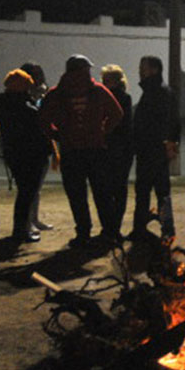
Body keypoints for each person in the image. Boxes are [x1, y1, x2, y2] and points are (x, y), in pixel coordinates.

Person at [38, 54, 122, 247]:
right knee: (102, 193)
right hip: (95, 150)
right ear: (84, 70)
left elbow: (43, 120)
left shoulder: (56, 93)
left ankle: (83, 232)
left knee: (77, 195)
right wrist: (102, 131)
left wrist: (57, 134)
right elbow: (117, 114)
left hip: (70, 150)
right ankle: (110, 232)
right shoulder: (98, 91)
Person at [0, 69, 51, 242]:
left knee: (25, 193)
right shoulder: (23, 107)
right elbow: (39, 124)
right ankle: (22, 231)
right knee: (27, 194)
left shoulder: (5, 105)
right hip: (29, 156)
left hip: (15, 154)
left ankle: (23, 228)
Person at [131, 55, 179, 240]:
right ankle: (166, 228)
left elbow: (165, 122)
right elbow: (174, 121)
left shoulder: (156, 92)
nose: (140, 71)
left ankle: (142, 228)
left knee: (145, 191)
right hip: (155, 150)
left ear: (154, 70)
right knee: (161, 191)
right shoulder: (161, 91)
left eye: (143, 67)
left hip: (151, 150)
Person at [99, 64, 133, 244]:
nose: (104, 83)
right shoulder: (125, 98)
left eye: (107, 80)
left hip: (114, 148)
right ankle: (114, 228)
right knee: (118, 190)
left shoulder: (112, 98)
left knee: (110, 190)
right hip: (121, 149)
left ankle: (110, 228)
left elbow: (121, 124)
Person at [19, 61, 54, 232]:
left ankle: (34, 219)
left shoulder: (40, 95)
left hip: (41, 145)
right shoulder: (23, 99)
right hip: (29, 147)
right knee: (29, 189)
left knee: (36, 188)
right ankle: (27, 223)